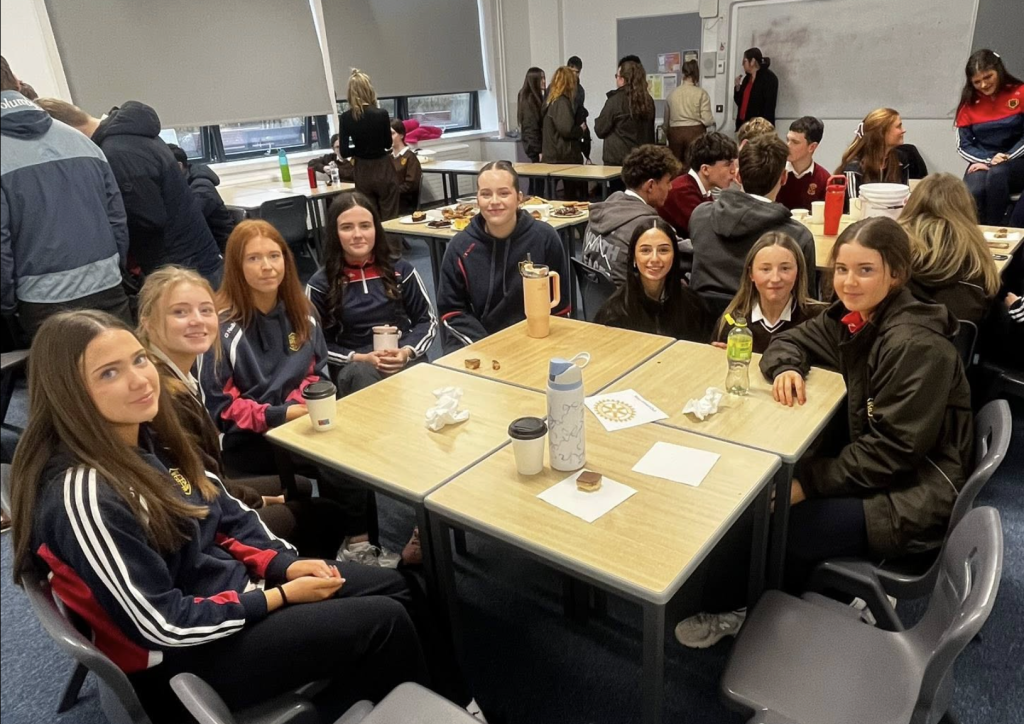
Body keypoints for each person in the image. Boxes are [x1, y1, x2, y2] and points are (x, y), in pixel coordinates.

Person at [9, 310, 433, 722]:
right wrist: (279, 597)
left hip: (226, 598)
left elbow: (223, 513)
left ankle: (426, 697)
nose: (139, 379)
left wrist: (282, 565)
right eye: (109, 373)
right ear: (69, 393)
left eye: (138, 359)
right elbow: (161, 624)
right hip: (184, 664)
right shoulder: (84, 495)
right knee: (385, 622)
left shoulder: (143, 435)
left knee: (398, 588)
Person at [675, 216, 973, 649]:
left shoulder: (914, 343)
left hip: (913, 493)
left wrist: (808, 483)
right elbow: (789, 342)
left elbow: (893, 453)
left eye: (865, 270)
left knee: (776, 521)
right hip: (884, 468)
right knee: (767, 499)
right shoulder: (856, 317)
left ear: (895, 274)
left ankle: (746, 609)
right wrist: (787, 367)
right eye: (842, 270)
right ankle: (771, 591)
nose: (849, 282)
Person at [199, 220, 400, 567]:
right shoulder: (221, 328)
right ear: (236, 266)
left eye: (274, 256)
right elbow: (222, 409)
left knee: (350, 444)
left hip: (299, 421)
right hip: (252, 441)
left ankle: (360, 543)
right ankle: (357, 544)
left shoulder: (303, 314)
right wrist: (282, 415)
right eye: (253, 258)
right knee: (337, 454)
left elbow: (314, 375)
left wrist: (301, 406)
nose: (266, 266)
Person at [136, 266, 345, 558]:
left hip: (205, 490)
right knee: (328, 515)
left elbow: (204, 474)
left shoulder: (180, 376)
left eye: (205, 310)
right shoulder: (159, 397)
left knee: (298, 487)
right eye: (180, 312)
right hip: (197, 528)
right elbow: (195, 486)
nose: (197, 320)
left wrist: (251, 499)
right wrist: (256, 503)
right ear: (147, 323)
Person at [1, 57, 131, 340]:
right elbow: (117, 220)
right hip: (108, 288)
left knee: (65, 371)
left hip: (41, 303)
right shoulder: (82, 141)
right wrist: (113, 270)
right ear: (17, 84)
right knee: (122, 364)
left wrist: (7, 306)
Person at [36, 98, 223, 285]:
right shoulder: (130, 134)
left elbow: (149, 219)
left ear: (64, 131)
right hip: (191, 256)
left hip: (181, 265)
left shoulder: (117, 153)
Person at [306, 191, 436, 393]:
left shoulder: (401, 270)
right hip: (354, 367)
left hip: (401, 356)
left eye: (365, 226)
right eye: (347, 227)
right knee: (363, 375)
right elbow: (315, 343)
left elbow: (426, 321)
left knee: (426, 379)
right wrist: (359, 357)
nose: (358, 234)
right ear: (334, 233)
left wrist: (406, 352)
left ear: (376, 229)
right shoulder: (320, 284)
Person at [437, 161, 570, 351]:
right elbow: (452, 311)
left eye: (504, 193)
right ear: (477, 200)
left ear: (519, 198)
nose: (494, 201)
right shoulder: (460, 247)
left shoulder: (545, 237)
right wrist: (489, 346)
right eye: (486, 194)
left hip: (535, 341)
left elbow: (560, 306)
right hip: (478, 344)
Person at [689, 134, 816, 301]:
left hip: (699, 314)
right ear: (784, 178)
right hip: (764, 317)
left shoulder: (700, 216)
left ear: (738, 177)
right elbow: (805, 300)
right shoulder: (797, 238)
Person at [899, 173, 1000, 324]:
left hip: (904, 332)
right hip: (962, 335)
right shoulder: (976, 250)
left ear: (912, 203)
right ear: (966, 208)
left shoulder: (895, 242)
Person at [594, 219, 709, 341]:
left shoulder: (693, 305)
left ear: (674, 256)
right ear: (634, 257)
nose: (655, 259)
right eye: (645, 250)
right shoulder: (613, 314)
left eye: (663, 250)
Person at [583, 145, 682, 285]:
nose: (670, 187)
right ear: (650, 186)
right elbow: (691, 256)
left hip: (596, 296)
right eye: (668, 182)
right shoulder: (650, 227)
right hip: (631, 298)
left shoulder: (602, 210)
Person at [712, 232, 825, 352]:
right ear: (751, 274)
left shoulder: (819, 320)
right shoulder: (732, 322)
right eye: (765, 269)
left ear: (798, 272)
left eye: (785, 268)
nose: (775, 279)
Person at [954, 49, 1024, 225]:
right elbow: (963, 145)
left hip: (1016, 159)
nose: (984, 85)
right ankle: (973, 234)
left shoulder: (1020, 92)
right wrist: (988, 160)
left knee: (997, 175)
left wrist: (1007, 157)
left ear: (998, 71)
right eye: (977, 82)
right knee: (974, 188)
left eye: (988, 77)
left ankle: (997, 229)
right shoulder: (968, 103)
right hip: (984, 160)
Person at [338, 69, 399, 223]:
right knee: (390, 215)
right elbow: (387, 144)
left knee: (369, 216)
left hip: (362, 171)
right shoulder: (381, 114)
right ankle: (392, 238)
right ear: (369, 90)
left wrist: (360, 148)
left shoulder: (345, 118)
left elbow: (344, 152)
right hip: (383, 168)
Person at [659, 132, 738, 237]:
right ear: (705, 169)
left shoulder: (701, 190)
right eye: (728, 165)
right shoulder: (682, 192)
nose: (734, 170)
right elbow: (711, 233)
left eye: (734, 164)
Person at [167, 144, 235, 252]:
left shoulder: (202, 187)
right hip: (200, 246)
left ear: (179, 166)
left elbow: (188, 219)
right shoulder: (181, 184)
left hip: (221, 249)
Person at [836, 107, 910, 201]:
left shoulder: (901, 160)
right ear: (881, 133)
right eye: (899, 126)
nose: (903, 130)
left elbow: (905, 200)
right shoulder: (854, 168)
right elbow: (854, 206)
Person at [595, 59, 656, 167]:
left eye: (617, 76)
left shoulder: (615, 101)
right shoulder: (648, 100)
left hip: (618, 161)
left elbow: (600, 130)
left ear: (622, 79)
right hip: (643, 160)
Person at [542, 66, 585, 199]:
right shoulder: (561, 102)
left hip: (553, 154)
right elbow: (566, 130)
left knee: (551, 194)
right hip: (563, 156)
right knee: (570, 194)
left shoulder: (551, 101)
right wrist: (581, 130)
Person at [663, 59, 715, 164]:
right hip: (695, 134)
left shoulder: (671, 94)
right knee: (694, 167)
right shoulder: (701, 93)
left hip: (675, 134)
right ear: (697, 74)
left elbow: (666, 124)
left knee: (675, 166)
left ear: (683, 73)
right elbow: (707, 120)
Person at [775, 116, 830, 211]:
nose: (787, 146)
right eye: (788, 140)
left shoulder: (824, 179)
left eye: (795, 142)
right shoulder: (775, 172)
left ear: (812, 147)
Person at [733, 48, 778, 130]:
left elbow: (769, 107)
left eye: (744, 61)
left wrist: (763, 127)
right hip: (743, 125)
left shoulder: (769, 78)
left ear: (752, 61)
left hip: (759, 127)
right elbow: (740, 102)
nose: (742, 64)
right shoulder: (746, 79)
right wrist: (737, 87)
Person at [390, 120, 422, 216]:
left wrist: (391, 192)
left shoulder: (410, 157)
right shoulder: (388, 157)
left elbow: (410, 185)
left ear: (401, 135)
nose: (389, 137)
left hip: (403, 202)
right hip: (389, 200)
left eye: (392, 133)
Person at [517, 66, 546, 167]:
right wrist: (538, 151)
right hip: (535, 148)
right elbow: (531, 127)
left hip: (534, 146)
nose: (544, 81)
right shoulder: (530, 99)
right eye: (541, 79)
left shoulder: (534, 97)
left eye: (544, 78)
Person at [567, 56, 593, 162]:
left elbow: (579, 112)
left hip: (575, 132)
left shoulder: (580, 90)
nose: (574, 75)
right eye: (571, 71)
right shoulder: (558, 88)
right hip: (562, 131)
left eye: (577, 72)